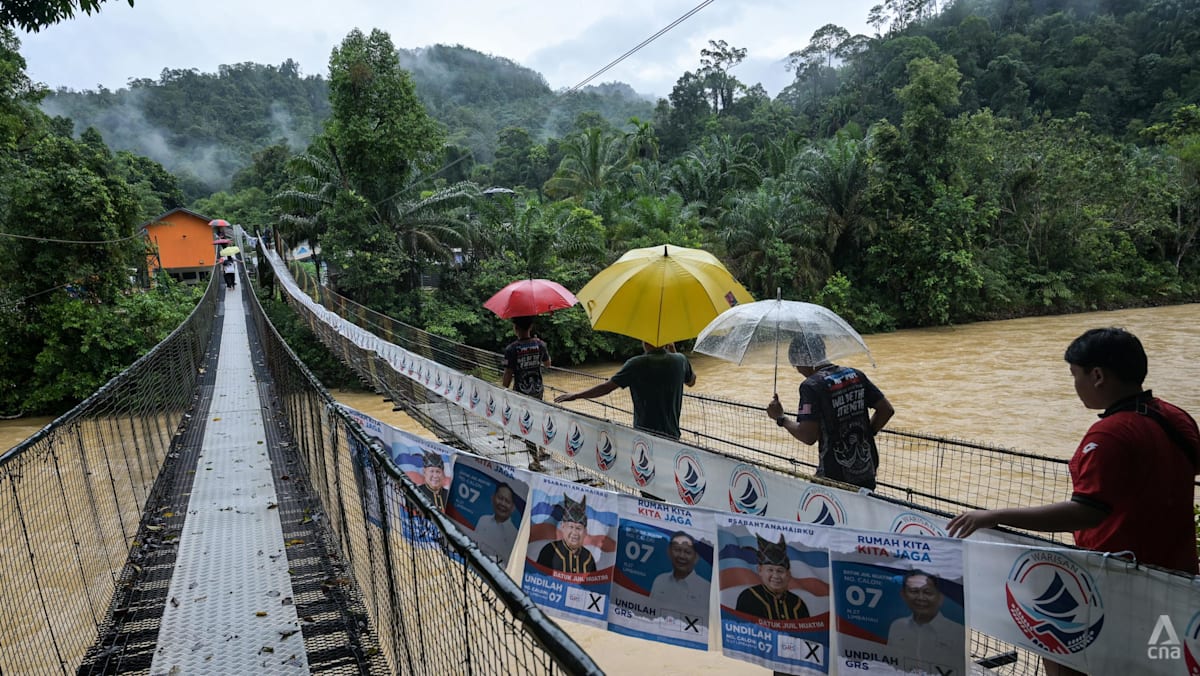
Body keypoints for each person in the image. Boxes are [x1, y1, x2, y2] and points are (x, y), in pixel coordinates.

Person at [947, 327, 1199, 676]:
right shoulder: (1175, 416)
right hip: (1175, 578)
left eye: (1075, 376)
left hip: (1116, 578)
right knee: (1158, 663)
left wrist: (992, 515)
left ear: (1097, 376)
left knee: (1061, 651)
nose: (1074, 386)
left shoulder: (1110, 433)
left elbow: (1086, 511)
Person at [766, 334, 895, 490]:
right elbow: (886, 410)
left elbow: (808, 436)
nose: (798, 370)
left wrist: (781, 418)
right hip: (867, 468)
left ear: (804, 357)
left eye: (796, 364)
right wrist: (865, 435)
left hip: (834, 477)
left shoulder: (811, 385)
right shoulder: (855, 375)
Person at [555, 342, 696, 439]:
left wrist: (576, 395)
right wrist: (674, 351)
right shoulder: (680, 360)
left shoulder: (636, 363)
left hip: (644, 433)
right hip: (673, 434)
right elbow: (691, 381)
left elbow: (607, 388)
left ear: (645, 342)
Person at [886, 570, 965, 670]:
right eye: (914, 591)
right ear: (903, 595)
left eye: (927, 592)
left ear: (940, 597)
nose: (920, 598)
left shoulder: (957, 632)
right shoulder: (897, 626)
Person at [735, 534, 809, 620]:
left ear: (788, 574)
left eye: (780, 571)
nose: (776, 576)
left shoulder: (797, 603)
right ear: (760, 570)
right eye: (770, 570)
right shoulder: (748, 597)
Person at [648, 531, 710, 621]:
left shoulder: (706, 588)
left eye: (687, 552)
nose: (681, 556)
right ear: (669, 552)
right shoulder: (660, 580)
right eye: (677, 550)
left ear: (696, 557)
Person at [536, 493, 597, 573]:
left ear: (585, 531)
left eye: (578, 528)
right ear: (563, 527)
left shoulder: (588, 558)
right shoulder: (549, 551)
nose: (574, 533)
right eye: (571, 527)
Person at [502, 316, 551, 399]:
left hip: (520, 393)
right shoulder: (540, 344)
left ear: (515, 327)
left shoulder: (510, 349)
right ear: (531, 326)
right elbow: (548, 364)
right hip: (538, 391)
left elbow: (508, 373)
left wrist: (503, 391)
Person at [472, 482, 520, 565]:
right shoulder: (483, 520)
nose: (502, 504)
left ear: (513, 508)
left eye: (507, 501)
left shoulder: (514, 534)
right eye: (500, 498)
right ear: (493, 498)